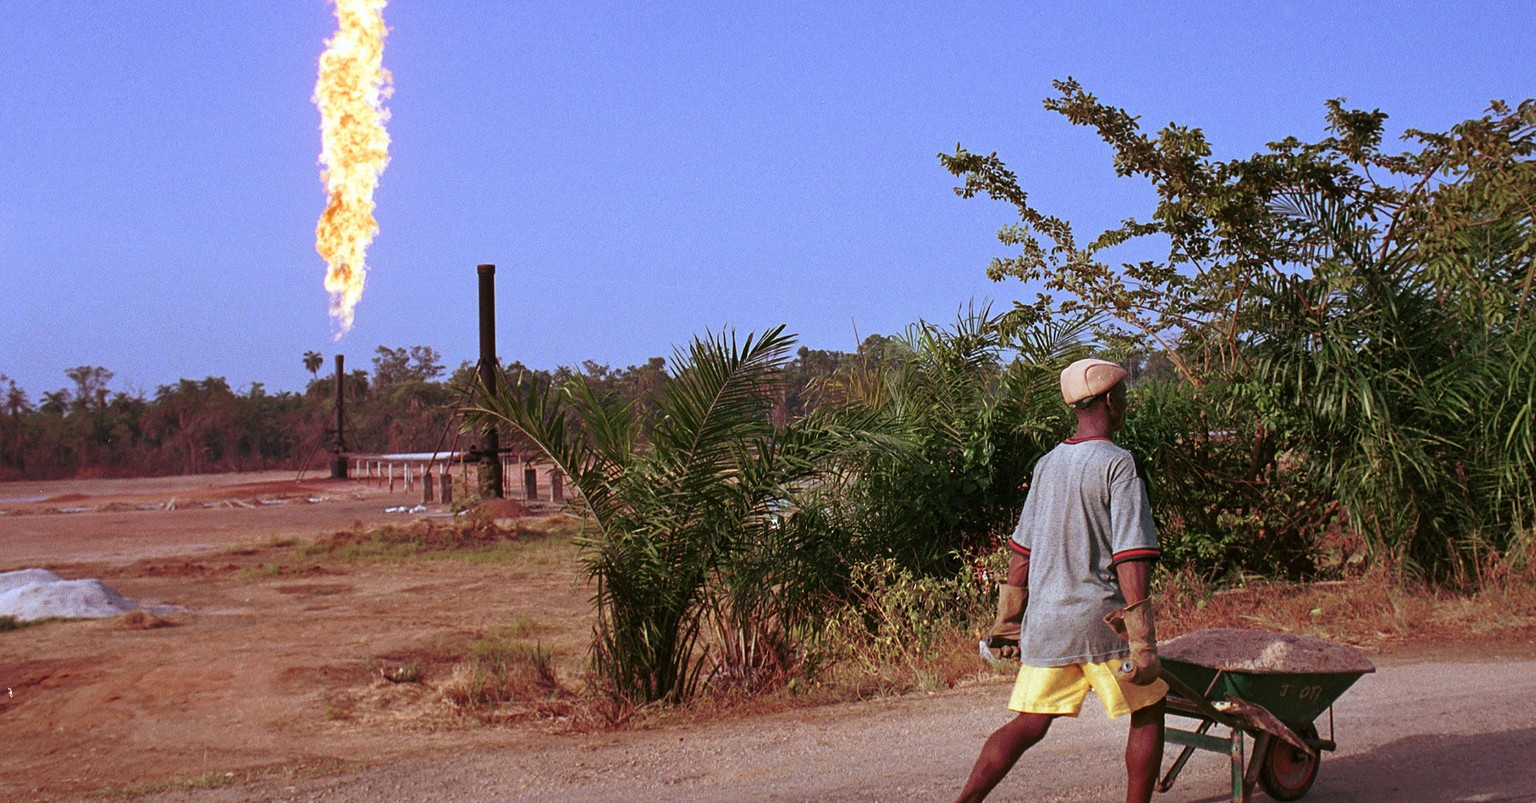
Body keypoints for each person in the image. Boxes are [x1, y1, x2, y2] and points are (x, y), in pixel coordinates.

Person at [957, 358, 1167, 803]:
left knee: (1029, 723)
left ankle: (965, 802)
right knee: (1149, 708)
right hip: (1101, 623)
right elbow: (1131, 557)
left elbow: (1021, 551)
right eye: (1123, 398)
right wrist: (1141, 636)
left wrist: (1008, 620)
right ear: (1111, 401)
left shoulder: (1047, 465)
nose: (1125, 404)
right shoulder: (1118, 464)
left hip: (1047, 624)